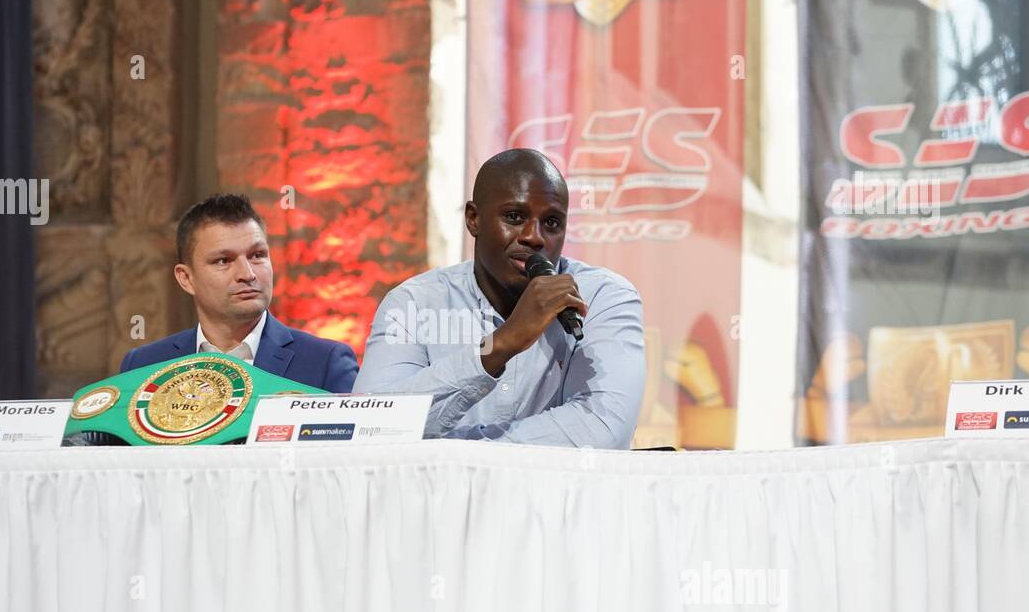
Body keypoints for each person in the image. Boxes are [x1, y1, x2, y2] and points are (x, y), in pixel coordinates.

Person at [354, 149, 645, 448]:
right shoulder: (413, 304)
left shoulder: (602, 298)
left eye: (552, 223)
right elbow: (370, 428)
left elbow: (602, 430)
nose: (535, 236)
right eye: (515, 217)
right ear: (473, 219)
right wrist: (500, 345)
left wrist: (450, 450)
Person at [119, 194, 359, 392]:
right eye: (224, 260)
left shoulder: (325, 364)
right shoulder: (143, 368)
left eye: (257, 256)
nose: (247, 273)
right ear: (186, 278)